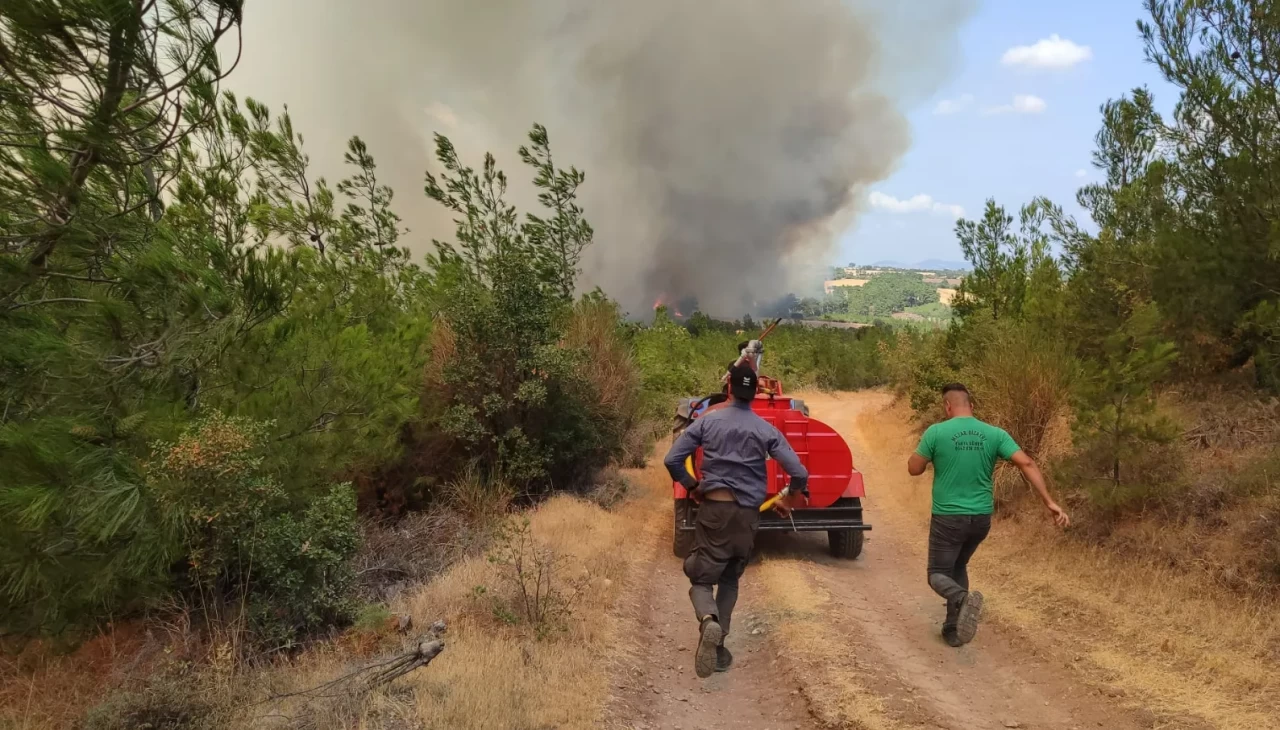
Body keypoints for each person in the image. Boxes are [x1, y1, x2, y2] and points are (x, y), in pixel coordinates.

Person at [664, 363, 809, 678]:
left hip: (714, 509)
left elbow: (672, 459)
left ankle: (708, 621)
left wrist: (692, 487)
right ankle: (718, 646)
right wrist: (788, 498)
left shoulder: (706, 422)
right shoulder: (765, 430)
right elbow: (799, 473)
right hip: (747, 516)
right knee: (730, 578)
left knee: (702, 579)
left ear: (729, 387)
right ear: (756, 392)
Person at [907, 383, 1070, 647]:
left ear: (947, 406)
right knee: (958, 566)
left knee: (937, 573)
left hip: (948, 518)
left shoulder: (936, 432)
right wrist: (1050, 502)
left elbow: (914, 469)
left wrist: (927, 457)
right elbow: (1026, 462)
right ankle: (953, 629)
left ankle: (961, 598)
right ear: (971, 406)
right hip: (981, 518)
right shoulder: (995, 434)